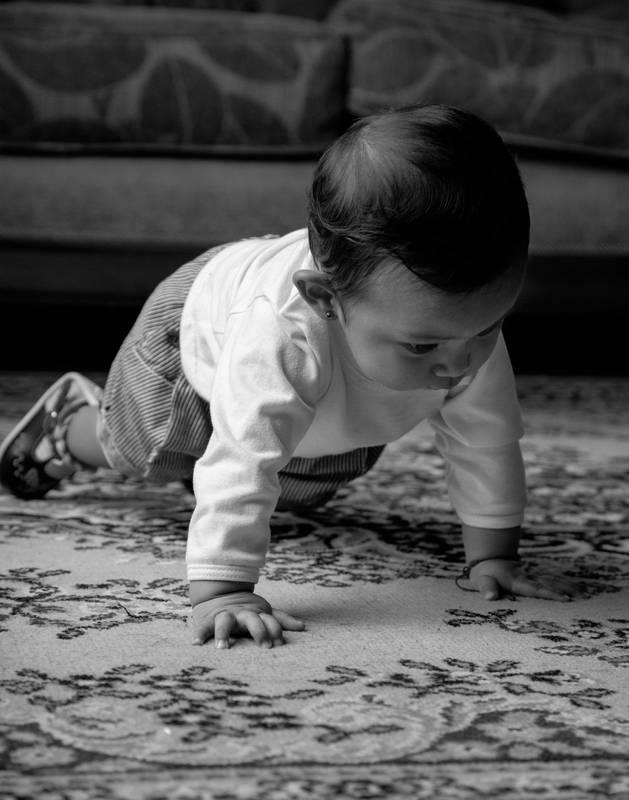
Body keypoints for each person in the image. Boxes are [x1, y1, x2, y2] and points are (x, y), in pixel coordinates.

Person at [0, 104, 576, 650]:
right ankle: (71, 425)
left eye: (489, 326)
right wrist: (223, 591)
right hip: (197, 337)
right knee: (148, 448)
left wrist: (492, 556)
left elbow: (486, 442)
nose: (459, 363)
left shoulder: (460, 331)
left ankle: (206, 476)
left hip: (328, 397)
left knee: (301, 489)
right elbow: (245, 453)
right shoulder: (279, 331)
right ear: (324, 299)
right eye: (423, 345)